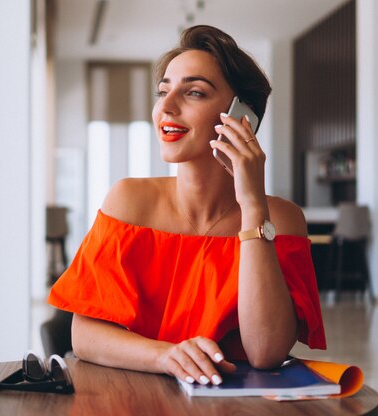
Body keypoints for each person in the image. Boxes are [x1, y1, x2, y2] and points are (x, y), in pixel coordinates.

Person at [48, 25, 325, 387]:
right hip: (131, 400)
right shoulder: (128, 202)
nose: (166, 106)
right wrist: (165, 355)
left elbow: (266, 351)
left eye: (194, 92)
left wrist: (253, 206)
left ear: (243, 118)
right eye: (163, 91)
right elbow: (84, 337)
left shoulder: (282, 219)